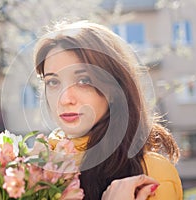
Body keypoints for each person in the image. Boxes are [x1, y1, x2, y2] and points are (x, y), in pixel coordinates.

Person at [33, 20, 183, 200]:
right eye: (53, 82)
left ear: (114, 89)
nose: (65, 99)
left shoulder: (150, 175)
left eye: (84, 81)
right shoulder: (28, 172)